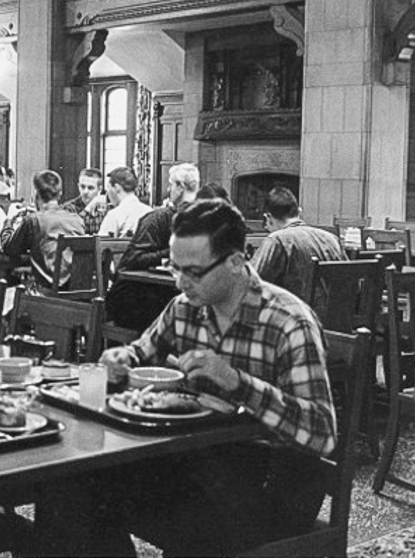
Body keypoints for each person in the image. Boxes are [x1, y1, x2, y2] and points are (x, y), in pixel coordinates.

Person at [91, 199, 336, 556]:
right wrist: (121, 359)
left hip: (278, 479)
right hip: (204, 460)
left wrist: (237, 382)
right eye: (175, 268)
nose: (179, 282)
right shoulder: (185, 307)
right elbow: (141, 353)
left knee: (190, 523)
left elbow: (322, 433)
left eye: (193, 271)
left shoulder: (288, 322)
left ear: (237, 262)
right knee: (84, 488)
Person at [104, 163, 200, 331]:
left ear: (179, 187)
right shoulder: (157, 219)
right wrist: (171, 252)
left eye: (170, 185)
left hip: (169, 296)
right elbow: (133, 261)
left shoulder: (203, 220)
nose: (169, 190)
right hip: (133, 301)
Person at [250, 187, 347, 311]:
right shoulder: (333, 239)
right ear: (298, 212)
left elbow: (251, 283)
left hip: (297, 323)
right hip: (338, 323)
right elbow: (350, 284)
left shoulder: (277, 240)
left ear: (268, 217)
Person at [0, 169, 85, 289]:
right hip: (74, 288)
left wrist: (8, 223)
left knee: (9, 280)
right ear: (60, 193)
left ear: (35, 194)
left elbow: (9, 248)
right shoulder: (77, 220)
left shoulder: (33, 220)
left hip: (45, 289)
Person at [97, 166, 152, 237]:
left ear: (116, 188)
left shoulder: (114, 215)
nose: (108, 193)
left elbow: (101, 244)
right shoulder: (149, 212)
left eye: (108, 187)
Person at [62, 167, 106, 235]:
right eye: (82, 187)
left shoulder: (106, 209)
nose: (85, 192)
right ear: (78, 186)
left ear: (99, 189)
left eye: (90, 188)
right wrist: (87, 209)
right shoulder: (68, 208)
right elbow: (72, 229)